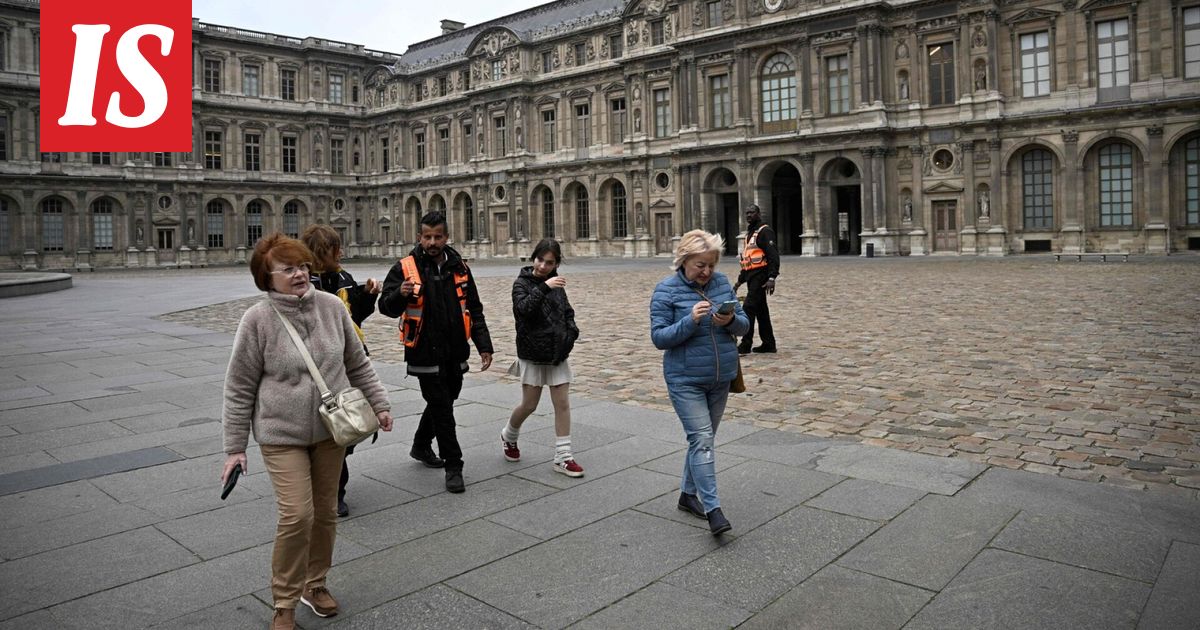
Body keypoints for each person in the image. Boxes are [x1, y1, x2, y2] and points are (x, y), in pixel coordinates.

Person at [221, 233, 394, 630]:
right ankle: (284, 602)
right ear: (267, 278)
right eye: (288, 269)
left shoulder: (332, 307)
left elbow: (358, 362)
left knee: (326, 514)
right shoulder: (257, 321)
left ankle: (314, 584)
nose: (299, 274)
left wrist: (380, 404)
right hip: (281, 434)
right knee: (297, 515)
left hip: (332, 430)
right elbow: (239, 386)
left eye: (301, 266)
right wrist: (234, 447)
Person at [379, 211, 493, 493]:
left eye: (437, 237)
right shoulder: (405, 268)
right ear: (419, 237)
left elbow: (473, 308)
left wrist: (484, 345)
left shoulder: (460, 267)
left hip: (455, 349)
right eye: (427, 237)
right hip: (424, 351)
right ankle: (454, 465)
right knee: (442, 407)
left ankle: (420, 445)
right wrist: (399, 295)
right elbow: (386, 307)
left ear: (446, 237)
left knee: (448, 397)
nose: (432, 242)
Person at [650, 229, 749, 536]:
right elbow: (659, 338)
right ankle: (713, 509)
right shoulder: (665, 291)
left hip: (720, 378)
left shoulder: (721, 283)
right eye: (700, 265)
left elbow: (745, 325)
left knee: (701, 441)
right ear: (683, 261)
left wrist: (730, 320)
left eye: (711, 265)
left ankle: (686, 494)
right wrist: (689, 320)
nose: (707, 272)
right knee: (703, 439)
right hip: (685, 379)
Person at [301, 224, 382, 518]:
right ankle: (335, 491)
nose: (343, 252)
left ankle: (332, 481)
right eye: (337, 248)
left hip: (349, 359)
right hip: (319, 367)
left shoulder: (344, 278)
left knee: (345, 429)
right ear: (324, 253)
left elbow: (356, 315)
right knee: (327, 431)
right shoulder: (306, 284)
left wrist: (367, 294)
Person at [501, 239, 583, 477]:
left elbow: (567, 312)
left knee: (562, 403)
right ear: (533, 258)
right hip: (533, 352)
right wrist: (545, 286)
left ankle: (563, 456)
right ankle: (509, 435)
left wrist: (570, 333)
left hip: (557, 351)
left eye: (550, 262)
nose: (543, 266)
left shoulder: (558, 285)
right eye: (540, 260)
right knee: (529, 404)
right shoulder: (521, 283)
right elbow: (523, 309)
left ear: (556, 263)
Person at [733, 203, 780, 354]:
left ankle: (746, 343)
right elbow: (749, 260)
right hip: (752, 276)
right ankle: (769, 343)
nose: (748, 215)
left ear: (758, 214)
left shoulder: (765, 231)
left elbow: (773, 256)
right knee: (761, 311)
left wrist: (772, 277)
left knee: (748, 308)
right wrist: (739, 281)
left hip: (761, 277)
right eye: (746, 213)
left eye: (752, 213)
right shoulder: (750, 235)